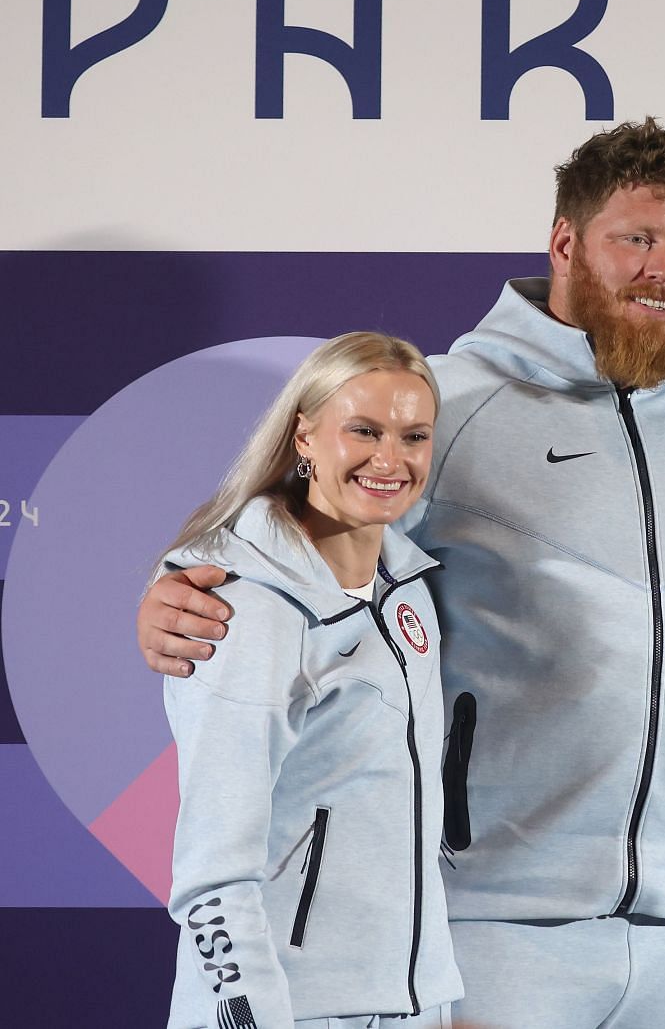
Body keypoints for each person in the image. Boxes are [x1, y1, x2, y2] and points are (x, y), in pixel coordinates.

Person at [139, 120, 665, 1028]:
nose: (662, 268)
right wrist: (181, 585)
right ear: (566, 242)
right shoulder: (454, 403)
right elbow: (303, 529)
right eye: (634, 239)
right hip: (497, 924)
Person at [160, 332, 460, 1029]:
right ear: (305, 436)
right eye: (364, 430)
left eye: (413, 436)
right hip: (293, 1011)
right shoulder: (245, 609)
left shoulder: (409, 589)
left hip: (411, 1005)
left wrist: (437, 1002)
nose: (391, 458)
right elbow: (212, 874)